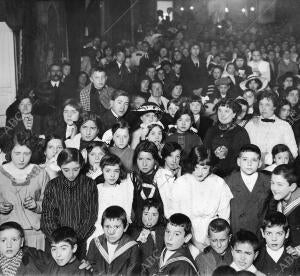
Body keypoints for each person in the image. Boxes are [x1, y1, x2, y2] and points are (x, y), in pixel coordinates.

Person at [170, 145, 232, 251]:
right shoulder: (181, 182)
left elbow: (224, 217)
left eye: (204, 168)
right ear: (191, 165)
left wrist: (212, 240)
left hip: (213, 237)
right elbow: (175, 216)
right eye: (196, 167)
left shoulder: (219, 183)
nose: (199, 172)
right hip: (186, 236)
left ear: (211, 167)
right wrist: (194, 242)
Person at [41, 148, 98, 258]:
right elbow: (47, 216)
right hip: (55, 242)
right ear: (60, 167)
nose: (71, 174)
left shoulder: (89, 184)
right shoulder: (53, 185)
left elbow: (90, 215)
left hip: (79, 241)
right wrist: (59, 241)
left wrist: (74, 241)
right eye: (66, 170)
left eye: (76, 169)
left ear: (81, 165)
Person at [0, 130, 49, 250]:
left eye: (26, 154)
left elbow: (51, 204)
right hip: (6, 236)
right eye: (17, 153)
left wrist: (36, 205)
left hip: (34, 235)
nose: (21, 159)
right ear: (9, 151)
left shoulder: (41, 173)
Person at [226, 144, 270, 235]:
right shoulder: (228, 182)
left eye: (254, 160)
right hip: (237, 234)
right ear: (238, 161)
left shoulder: (268, 182)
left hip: (259, 235)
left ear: (260, 163)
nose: (249, 164)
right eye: (245, 159)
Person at [88, 154, 134, 243]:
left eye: (116, 171)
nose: (112, 175)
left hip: (118, 232)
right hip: (98, 231)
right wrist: (95, 175)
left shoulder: (124, 189)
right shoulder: (96, 188)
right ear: (102, 171)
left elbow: (126, 214)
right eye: (108, 171)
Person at [245, 91, 298, 167]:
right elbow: (244, 149)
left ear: (274, 107)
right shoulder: (250, 125)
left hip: (277, 169)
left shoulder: (284, 126)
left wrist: (271, 159)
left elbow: (293, 152)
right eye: (261, 104)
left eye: (267, 105)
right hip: (253, 168)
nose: (263, 108)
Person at [87, 206, 140, 275]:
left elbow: (132, 272)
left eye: (116, 227)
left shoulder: (132, 246)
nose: (111, 232)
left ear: (125, 227)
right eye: (107, 226)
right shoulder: (95, 243)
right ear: (102, 226)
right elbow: (90, 269)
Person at [204, 98, 250, 177]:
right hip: (211, 175)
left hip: (233, 176)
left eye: (227, 111)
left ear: (234, 114)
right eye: (220, 110)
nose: (222, 114)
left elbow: (244, 159)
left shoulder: (241, 132)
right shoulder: (211, 130)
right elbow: (205, 154)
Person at [255, 211, 298, 276]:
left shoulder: (294, 258)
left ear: (287, 233)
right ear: (262, 233)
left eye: (279, 234)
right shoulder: (255, 257)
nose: (274, 239)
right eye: (269, 233)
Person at [129, 199, 165, 275]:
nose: (149, 218)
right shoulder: (134, 231)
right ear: (141, 214)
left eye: (154, 215)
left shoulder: (163, 231)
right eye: (146, 214)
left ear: (159, 216)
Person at [131, 141, 163, 224]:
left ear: (155, 160)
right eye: (140, 159)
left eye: (148, 159)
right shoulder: (132, 178)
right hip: (137, 225)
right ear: (136, 160)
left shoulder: (162, 177)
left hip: (159, 226)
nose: (144, 164)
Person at [271, 164, 300, 250]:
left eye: (280, 184)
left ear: (292, 187)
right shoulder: (279, 203)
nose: (274, 188)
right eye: (272, 183)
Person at [154, 142, 182, 218]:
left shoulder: (171, 174)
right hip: (169, 217)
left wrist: (178, 175)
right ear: (165, 157)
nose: (174, 160)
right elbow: (169, 203)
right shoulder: (161, 174)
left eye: (177, 157)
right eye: (170, 156)